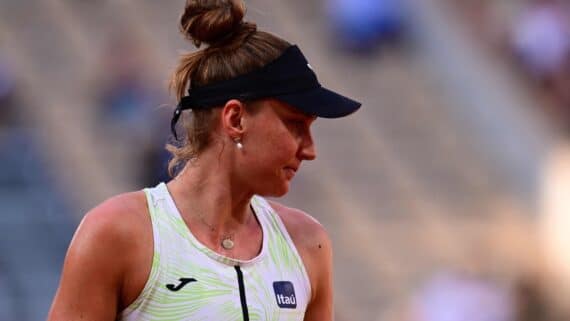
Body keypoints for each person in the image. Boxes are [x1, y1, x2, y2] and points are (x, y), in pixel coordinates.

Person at [47, 0, 360, 320]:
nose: (310, 149)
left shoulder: (308, 244)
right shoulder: (117, 233)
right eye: (296, 125)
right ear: (236, 119)